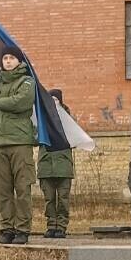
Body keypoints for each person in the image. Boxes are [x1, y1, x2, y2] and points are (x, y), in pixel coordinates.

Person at [0, 51, 37, 245]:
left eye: (11, 58)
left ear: (19, 61)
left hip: (20, 142)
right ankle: (7, 228)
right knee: (3, 190)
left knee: (22, 188)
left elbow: (20, 102)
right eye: (5, 58)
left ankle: (22, 229)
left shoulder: (27, 81)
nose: (7, 61)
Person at [37, 88, 74, 240]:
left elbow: (74, 137)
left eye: (56, 100)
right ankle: (51, 225)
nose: (53, 103)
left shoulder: (68, 120)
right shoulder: (41, 119)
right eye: (50, 100)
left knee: (63, 199)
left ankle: (62, 226)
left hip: (63, 165)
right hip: (46, 164)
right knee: (49, 199)